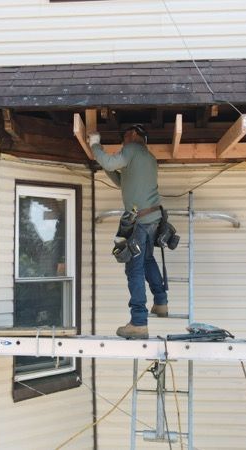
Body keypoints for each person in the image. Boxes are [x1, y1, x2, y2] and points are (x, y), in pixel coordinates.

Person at [89, 124, 167, 339]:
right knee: (148, 259)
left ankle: (139, 322)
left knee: (134, 269)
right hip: (152, 218)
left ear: (133, 134)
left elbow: (109, 161)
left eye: (123, 137)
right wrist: (106, 164)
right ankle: (160, 302)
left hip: (139, 221)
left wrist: (95, 145)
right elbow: (122, 181)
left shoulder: (132, 149)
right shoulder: (148, 157)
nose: (123, 142)